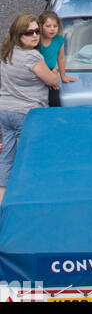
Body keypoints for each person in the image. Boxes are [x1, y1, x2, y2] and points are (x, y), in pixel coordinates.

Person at [0, 13, 59, 202]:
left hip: (5, 112)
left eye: (36, 31)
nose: (35, 35)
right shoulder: (32, 57)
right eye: (29, 32)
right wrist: (55, 70)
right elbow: (52, 80)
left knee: (7, 158)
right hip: (27, 114)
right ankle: (27, 201)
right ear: (19, 34)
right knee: (31, 158)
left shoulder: (7, 52)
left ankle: (2, 202)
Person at [38, 9, 76, 108]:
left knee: (55, 100)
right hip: (39, 71)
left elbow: (61, 58)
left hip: (52, 71)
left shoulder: (59, 40)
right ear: (41, 27)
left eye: (55, 26)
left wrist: (63, 76)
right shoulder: (37, 40)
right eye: (48, 26)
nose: (52, 29)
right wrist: (50, 75)